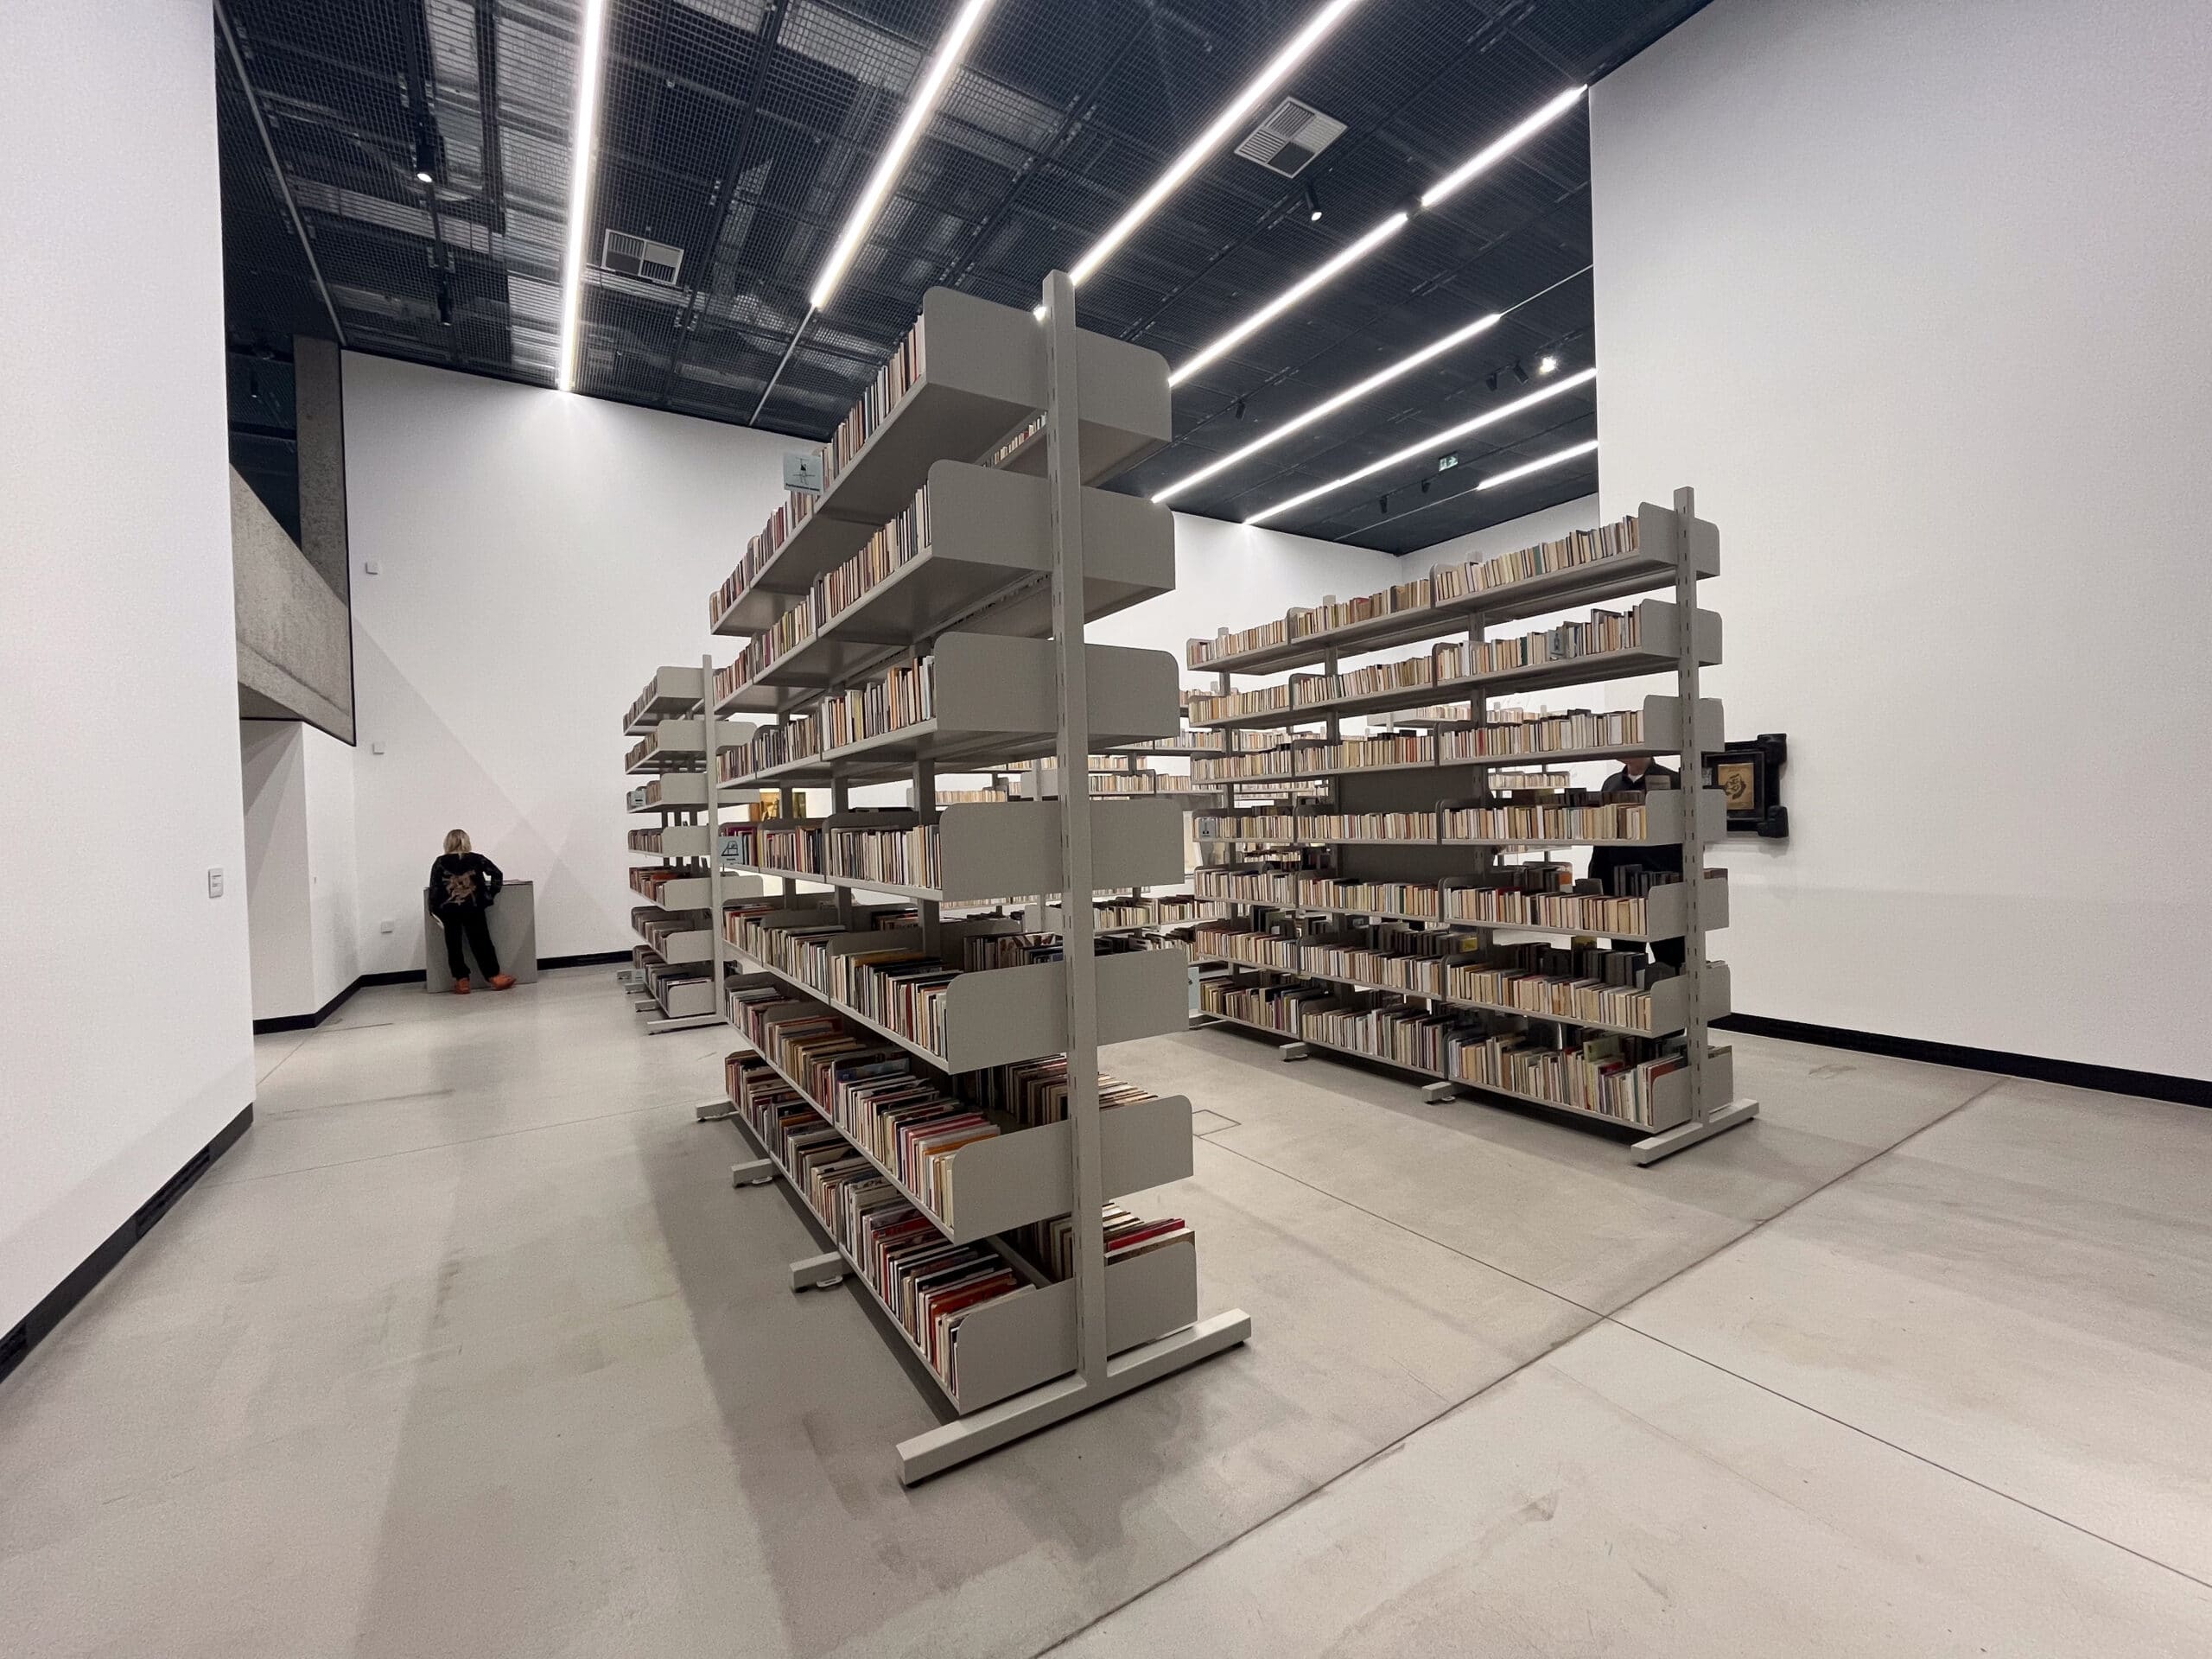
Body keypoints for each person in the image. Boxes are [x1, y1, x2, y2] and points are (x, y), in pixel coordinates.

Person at [1586, 754, 1686, 969]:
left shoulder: (1674, 781)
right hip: (1620, 890)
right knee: (1625, 962)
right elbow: (1601, 841)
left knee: (1671, 960)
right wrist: (1596, 881)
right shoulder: (1611, 783)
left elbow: (1687, 838)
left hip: (1661, 887)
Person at [429, 830, 515, 993]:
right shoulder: (477, 859)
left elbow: (434, 888)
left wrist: (433, 910)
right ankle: (494, 976)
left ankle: (462, 980)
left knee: (453, 945)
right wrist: (490, 894)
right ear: (466, 841)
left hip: (449, 910)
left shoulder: (440, 862)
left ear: (448, 843)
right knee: (482, 942)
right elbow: (497, 874)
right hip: (474, 908)